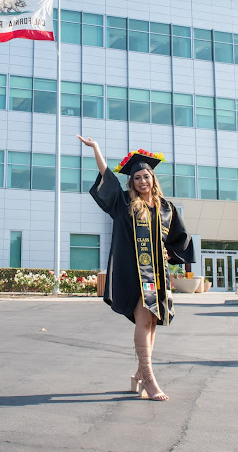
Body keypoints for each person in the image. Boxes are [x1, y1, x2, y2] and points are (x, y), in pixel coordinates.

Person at [77, 136, 195, 401]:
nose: (142, 181)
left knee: (152, 321)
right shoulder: (124, 204)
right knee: (144, 319)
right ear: (132, 182)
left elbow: (180, 238)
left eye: (146, 176)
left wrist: (169, 251)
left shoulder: (166, 208)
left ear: (153, 179)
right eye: (138, 178)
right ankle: (150, 380)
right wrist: (96, 149)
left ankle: (139, 375)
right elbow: (107, 177)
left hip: (157, 274)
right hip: (134, 274)